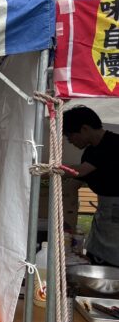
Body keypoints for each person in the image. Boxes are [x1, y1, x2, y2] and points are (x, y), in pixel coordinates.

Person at [63, 106, 119, 267]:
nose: (70, 141)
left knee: (113, 259)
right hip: (104, 212)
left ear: (85, 129)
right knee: (97, 254)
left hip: (115, 214)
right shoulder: (90, 152)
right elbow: (76, 181)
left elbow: (79, 171)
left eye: (70, 136)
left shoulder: (113, 144)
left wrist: (50, 169)